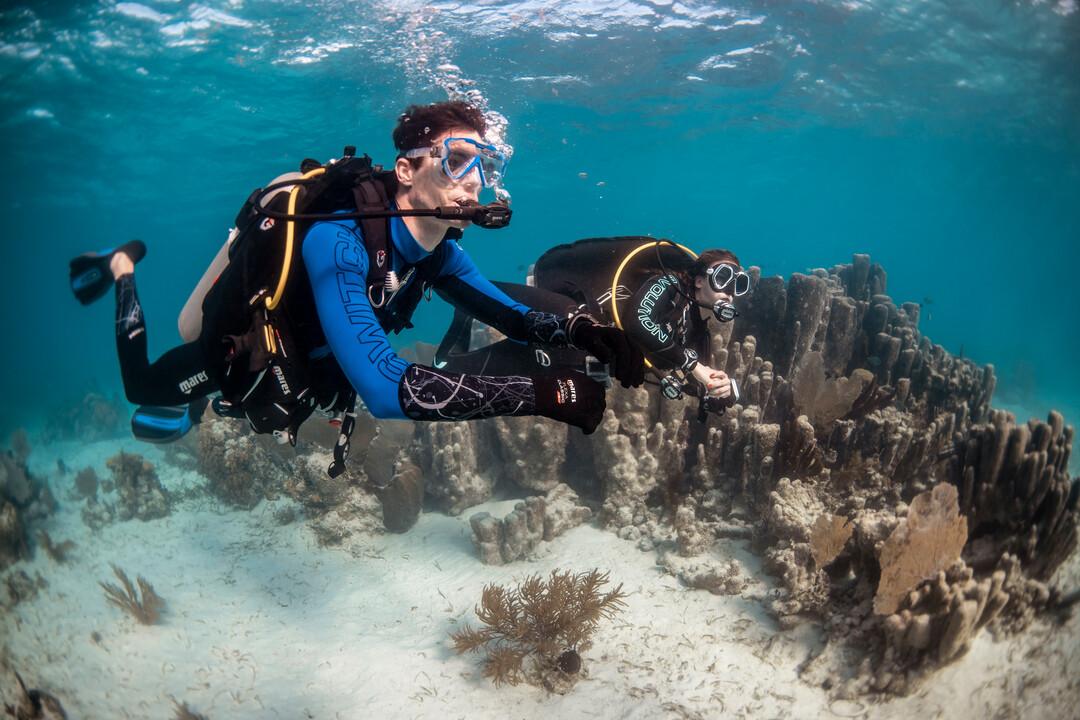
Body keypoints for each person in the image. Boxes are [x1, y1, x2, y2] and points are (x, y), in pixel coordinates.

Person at [68, 102, 644, 472]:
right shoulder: (338, 241)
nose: (474, 184)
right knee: (142, 386)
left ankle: (201, 406)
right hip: (244, 349)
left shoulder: (440, 253)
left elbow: (513, 315)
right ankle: (122, 267)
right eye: (458, 160)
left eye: (484, 169)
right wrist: (545, 395)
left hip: (305, 370)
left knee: (206, 405)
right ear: (406, 170)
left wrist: (589, 332)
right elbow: (388, 391)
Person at [434, 237, 751, 414]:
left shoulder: (695, 329)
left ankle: (457, 329)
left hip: (574, 357)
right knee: (470, 292)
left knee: (447, 368)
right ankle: (439, 277)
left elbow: (698, 391)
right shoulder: (669, 282)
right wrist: (694, 365)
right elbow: (639, 322)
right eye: (722, 278)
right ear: (697, 280)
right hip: (569, 317)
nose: (727, 291)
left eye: (737, 284)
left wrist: (725, 390)